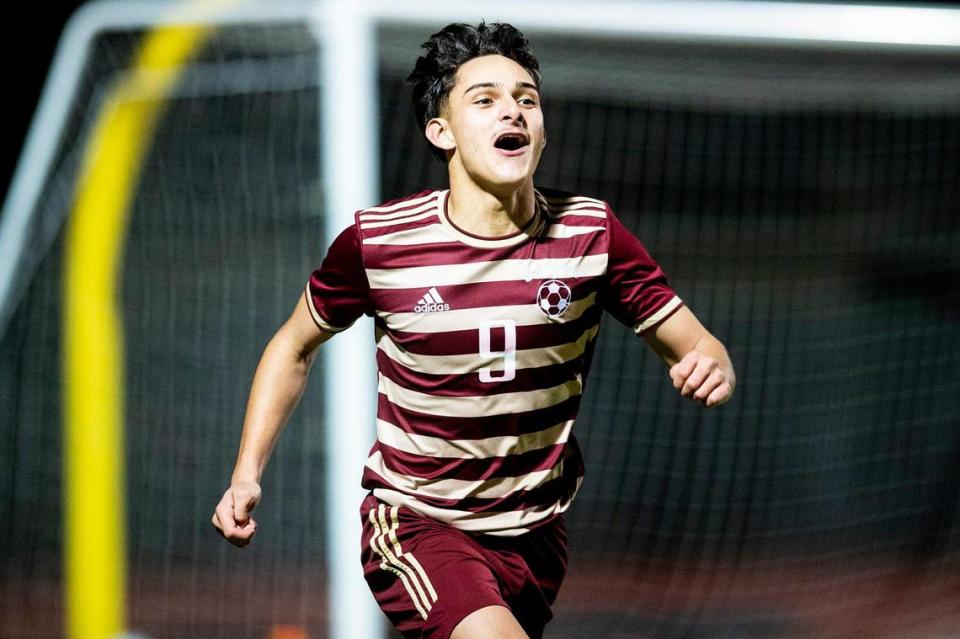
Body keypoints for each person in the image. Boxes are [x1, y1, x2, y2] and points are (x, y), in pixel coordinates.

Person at [212, 21, 735, 639]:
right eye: (483, 98)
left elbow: (699, 344)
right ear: (442, 132)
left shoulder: (591, 234)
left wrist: (712, 363)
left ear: (540, 131)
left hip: (537, 533)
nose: (511, 109)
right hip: (416, 522)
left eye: (526, 98)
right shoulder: (379, 244)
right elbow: (293, 345)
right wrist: (247, 471)